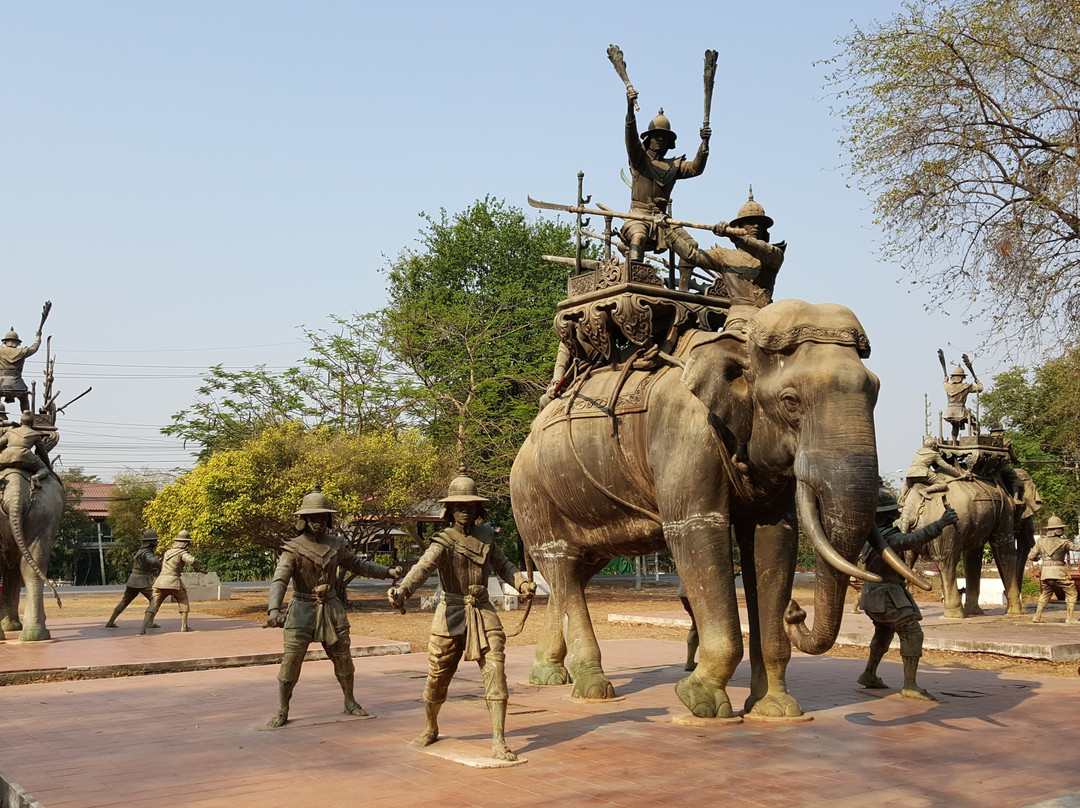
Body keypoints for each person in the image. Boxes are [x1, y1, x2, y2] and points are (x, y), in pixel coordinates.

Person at [388, 469, 537, 761]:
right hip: (451, 613)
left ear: (477, 508)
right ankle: (431, 726)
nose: (464, 512)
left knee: (496, 671)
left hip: (482, 611)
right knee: (437, 677)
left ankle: (498, 739)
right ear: (449, 509)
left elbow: (504, 565)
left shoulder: (487, 535)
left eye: (469, 506)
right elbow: (422, 568)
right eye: (458, 507)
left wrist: (521, 583)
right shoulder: (442, 540)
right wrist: (403, 590)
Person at [265, 486, 402, 728]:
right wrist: (274, 609)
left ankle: (350, 701)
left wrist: (388, 572)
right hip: (301, 609)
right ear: (303, 520)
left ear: (328, 519)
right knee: (291, 662)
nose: (317, 523)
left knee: (343, 658)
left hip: (331, 608)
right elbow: (280, 579)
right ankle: (282, 708)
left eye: (322, 518)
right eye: (312, 518)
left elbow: (360, 566)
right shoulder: (293, 548)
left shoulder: (336, 545)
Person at [858, 488, 958, 701]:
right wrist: (941, 523)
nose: (895, 515)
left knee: (883, 633)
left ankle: (869, 674)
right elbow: (913, 540)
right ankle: (910, 685)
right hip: (888, 595)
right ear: (886, 514)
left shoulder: (868, 537)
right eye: (892, 512)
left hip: (871, 595)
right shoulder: (887, 537)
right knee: (912, 633)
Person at [622, 87, 710, 272]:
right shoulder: (639, 159)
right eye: (656, 136)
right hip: (638, 216)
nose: (660, 140)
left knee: (690, 245)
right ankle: (635, 277)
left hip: (664, 220)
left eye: (664, 137)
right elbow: (630, 139)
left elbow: (696, 168)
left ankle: (684, 288)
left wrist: (704, 144)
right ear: (648, 139)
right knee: (638, 236)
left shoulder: (674, 166)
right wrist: (630, 108)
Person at [681, 188, 786, 327]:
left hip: (768, 317)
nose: (756, 226)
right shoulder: (724, 256)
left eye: (760, 224)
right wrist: (670, 231)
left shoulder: (774, 254)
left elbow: (760, 248)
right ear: (739, 226)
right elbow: (691, 256)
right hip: (739, 318)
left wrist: (735, 237)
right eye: (751, 222)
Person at [897, 436, 970, 531]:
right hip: (923, 472)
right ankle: (924, 490)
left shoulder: (919, 452)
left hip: (910, 473)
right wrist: (959, 473)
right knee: (942, 484)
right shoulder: (934, 454)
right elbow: (946, 466)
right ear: (934, 445)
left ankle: (902, 496)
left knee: (907, 485)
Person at [140, 530, 201, 635]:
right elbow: (193, 560)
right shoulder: (182, 553)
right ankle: (184, 626)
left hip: (160, 582)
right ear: (186, 543)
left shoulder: (167, 552)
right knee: (183, 600)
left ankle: (143, 628)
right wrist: (197, 567)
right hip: (173, 581)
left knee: (154, 604)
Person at [1028, 515, 1080, 624]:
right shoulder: (1064, 542)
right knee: (1071, 593)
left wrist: (1039, 557)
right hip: (1059, 572)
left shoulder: (1040, 542)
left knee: (1045, 593)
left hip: (1046, 573)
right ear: (1057, 529)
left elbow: (1031, 556)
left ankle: (1037, 616)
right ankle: (1070, 618)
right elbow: (1077, 547)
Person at [105, 530, 163, 628]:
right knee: (155, 600)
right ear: (150, 542)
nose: (156, 543)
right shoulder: (147, 553)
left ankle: (110, 621)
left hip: (132, 580)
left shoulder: (140, 552)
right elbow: (152, 561)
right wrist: (160, 566)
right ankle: (149, 622)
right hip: (142, 581)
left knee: (124, 601)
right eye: (155, 541)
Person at [0, 411, 52, 487]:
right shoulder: (35, 434)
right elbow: (42, 453)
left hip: (8, 455)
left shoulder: (10, 432)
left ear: (21, 421)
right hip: (26, 457)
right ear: (32, 423)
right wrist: (48, 466)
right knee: (44, 469)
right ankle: (36, 477)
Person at [0, 328, 41, 414]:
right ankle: (26, 416)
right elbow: (35, 348)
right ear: (17, 342)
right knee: (24, 400)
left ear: (5, 342)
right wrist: (38, 337)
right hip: (18, 385)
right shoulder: (23, 352)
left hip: (2, 383)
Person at [943, 364, 982, 442]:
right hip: (960, 410)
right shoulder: (966, 386)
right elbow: (980, 388)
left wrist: (945, 380)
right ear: (962, 377)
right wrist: (977, 380)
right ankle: (976, 440)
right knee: (975, 423)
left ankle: (954, 442)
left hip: (950, 411)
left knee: (955, 426)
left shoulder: (947, 386)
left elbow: (945, 382)